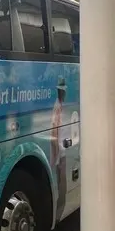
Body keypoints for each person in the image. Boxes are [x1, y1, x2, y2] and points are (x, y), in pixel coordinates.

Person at [51, 77, 67, 222]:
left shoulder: (60, 104)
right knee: (62, 189)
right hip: (60, 154)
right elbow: (54, 131)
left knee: (63, 188)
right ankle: (57, 218)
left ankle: (58, 216)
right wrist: (56, 156)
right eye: (63, 90)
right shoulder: (58, 105)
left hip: (61, 151)